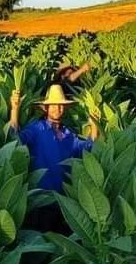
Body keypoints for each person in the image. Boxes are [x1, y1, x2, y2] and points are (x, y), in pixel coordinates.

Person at [10, 84, 98, 233]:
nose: (58, 108)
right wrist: (15, 109)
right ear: (46, 108)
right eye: (53, 105)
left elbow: (89, 148)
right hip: (41, 200)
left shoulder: (68, 134)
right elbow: (14, 138)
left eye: (61, 105)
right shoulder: (37, 129)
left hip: (64, 201)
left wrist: (94, 125)